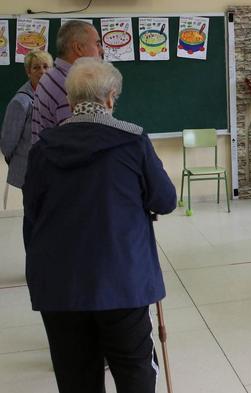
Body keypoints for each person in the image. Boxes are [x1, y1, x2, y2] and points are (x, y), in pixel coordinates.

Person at [23, 58, 177, 392]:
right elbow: (165, 200)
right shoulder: (133, 142)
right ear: (110, 98)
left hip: (60, 284)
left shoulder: (43, 149)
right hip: (121, 279)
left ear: (69, 99)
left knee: (75, 375)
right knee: (134, 368)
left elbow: (32, 211)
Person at [31, 20, 103, 143]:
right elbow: (78, 145)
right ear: (78, 48)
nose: (102, 50)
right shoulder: (70, 88)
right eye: (97, 44)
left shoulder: (51, 75)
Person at [1, 50, 53, 189]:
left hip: (51, 167)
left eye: (46, 66)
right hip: (29, 170)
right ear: (28, 72)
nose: (42, 71)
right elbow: (8, 143)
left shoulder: (55, 97)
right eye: (36, 67)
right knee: (34, 209)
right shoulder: (20, 102)